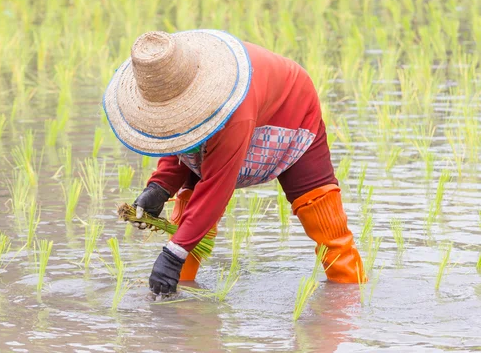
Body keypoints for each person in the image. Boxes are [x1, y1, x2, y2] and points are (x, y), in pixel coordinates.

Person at [103, 30, 366, 296]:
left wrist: (172, 255)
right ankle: (179, 305)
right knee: (188, 218)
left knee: (323, 219)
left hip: (291, 109)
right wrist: (159, 187)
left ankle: (350, 301)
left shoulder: (231, 109)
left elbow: (217, 187)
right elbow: (179, 137)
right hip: (239, 114)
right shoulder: (173, 79)